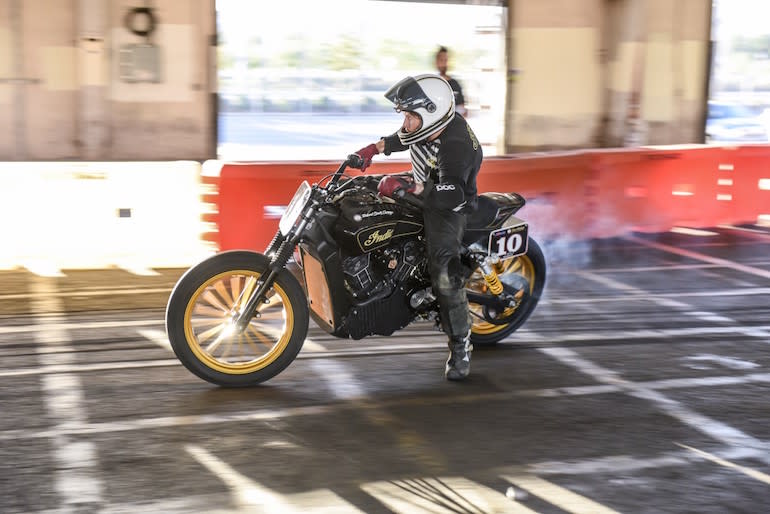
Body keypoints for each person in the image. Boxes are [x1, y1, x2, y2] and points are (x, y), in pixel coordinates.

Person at [352, 74, 482, 381]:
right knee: (366, 194)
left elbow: (453, 193)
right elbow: (405, 137)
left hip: (450, 204)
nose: (407, 122)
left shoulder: (456, 144)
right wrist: (374, 148)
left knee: (445, 276)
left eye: (412, 116)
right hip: (426, 185)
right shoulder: (428, 126)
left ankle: (461, 344)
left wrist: (408, 189)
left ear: (431, 115)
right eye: (407, 116)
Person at [435, 46, 467, 117]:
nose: (444, 64)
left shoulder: (455, 84)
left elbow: (462, 110)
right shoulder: (432, 84)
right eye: (441, 60)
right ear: (436, 62)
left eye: (446, 60)